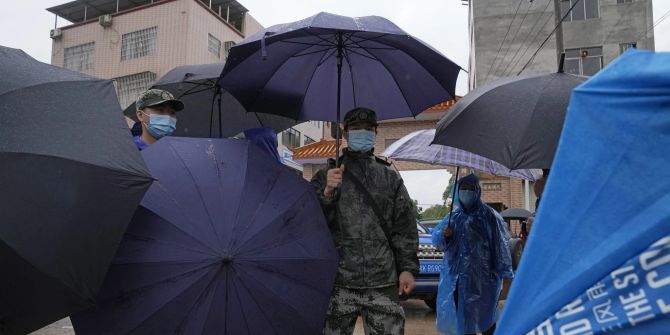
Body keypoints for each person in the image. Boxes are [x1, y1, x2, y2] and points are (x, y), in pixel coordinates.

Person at [310, 107, 419, 335]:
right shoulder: (326, 176)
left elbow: (405, 227)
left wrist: (407, 268)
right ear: (345, 133)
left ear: (375, 133)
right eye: (356, 129)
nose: (362, 133)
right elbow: (310, 225)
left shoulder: (389, 177)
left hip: (382, 281)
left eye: (368, 129)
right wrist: (327, 192)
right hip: (339, 281)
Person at [431, 173, 514, 335]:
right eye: (463, 188)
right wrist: (444, 235)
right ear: (457, 191)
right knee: (465, 322)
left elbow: (500, 247)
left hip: (484, 280)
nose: (466, 192)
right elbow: (438, 243)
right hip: (458, 280)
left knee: (487, 321)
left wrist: (505, 274)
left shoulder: (489, 216)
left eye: (470, 188)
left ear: (478, 191)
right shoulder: (453, 217)